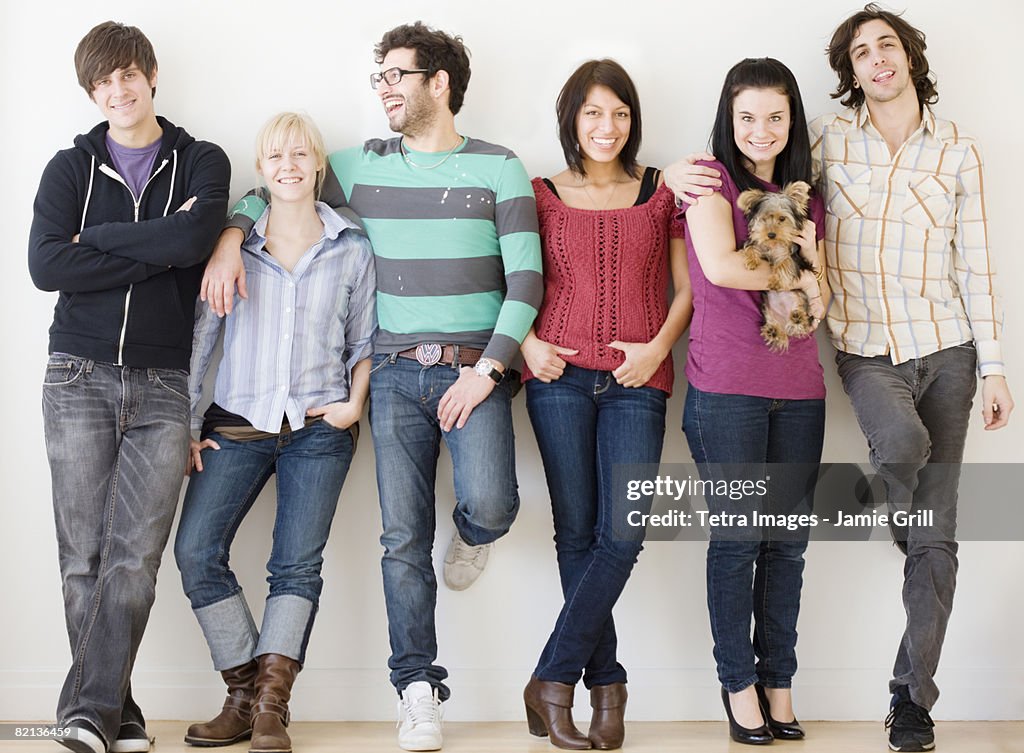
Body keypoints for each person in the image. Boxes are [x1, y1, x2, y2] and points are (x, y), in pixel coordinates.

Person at [200, 22, 542, 752]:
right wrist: (232, 235)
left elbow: (527, 282)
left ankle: (476, 535)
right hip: (388, 374)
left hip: (473, 369)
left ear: (438, 83)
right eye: (378, 77)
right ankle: (416, 688)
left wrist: (487, 372)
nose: (384, 88)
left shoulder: (500, 167)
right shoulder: (356, 166)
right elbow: (277, 188)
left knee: (492, 500)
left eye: (395, 75)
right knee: (400, 539)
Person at [27, 20, 230, 753]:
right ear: (93, 91)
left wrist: (103, 241)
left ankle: (88, 710)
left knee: (134, 560)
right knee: (82, 554)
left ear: (150, 75)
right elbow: (47, 267)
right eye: (102, 81)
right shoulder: (67, 168)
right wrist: (161, 248)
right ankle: (115, 709)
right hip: (76, 375)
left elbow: (191, 240)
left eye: (128, 74)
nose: (118, 89)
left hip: (163, 384)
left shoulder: (202, 159)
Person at [814, 6, 1013, 751]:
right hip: (867, 349)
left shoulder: (958, 150)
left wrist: (994, 367)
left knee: (938, 538)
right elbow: (761, 179)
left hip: (951, 350)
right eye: (860, 52)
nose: (875, 59)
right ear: (851, 71)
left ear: (908, 57)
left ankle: (911, 700)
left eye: (885, 45)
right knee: (899, 442)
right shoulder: (829, 142)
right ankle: (898, 504)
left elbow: (976, 265)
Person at [173, 112, 375, 753]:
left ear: (317, 163)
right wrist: (182, 423)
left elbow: (365, 339)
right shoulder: (236, 247)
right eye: (275, 157)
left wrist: (354, 406)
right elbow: (201, 343)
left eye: (300, 154)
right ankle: (241, 694)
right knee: (196, 553)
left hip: (320, 428)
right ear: (261, 170)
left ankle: (270, 709)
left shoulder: (352, 247)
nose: (288, 165)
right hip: (236, 425)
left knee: (295, 566)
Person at [519, 59, 691, 751]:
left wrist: (654, 351)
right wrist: (528, 344)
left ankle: (553, 677)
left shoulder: (659, 191)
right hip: (555, 377)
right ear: (572, 119)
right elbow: (504, 278)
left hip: (636, 383)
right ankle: (607, 685)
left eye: (618, 112)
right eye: (592, 112)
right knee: (576, 532)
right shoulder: (539, 194)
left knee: (623, 535)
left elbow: (685, 291)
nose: (606, 126)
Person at [678, 58, 826, 746]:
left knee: (786, 545)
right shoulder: (711, 184)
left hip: (799, 391)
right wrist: (800, 264)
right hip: (727, 391)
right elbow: (721, 267)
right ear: (728, 120)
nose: (761, 130)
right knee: (738, 540)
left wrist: (810, 275)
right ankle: (737, 686)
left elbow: (820, 304)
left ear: (791, 118)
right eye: (747, 117)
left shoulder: (808, 196)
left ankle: (779, 682)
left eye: (774, 115)